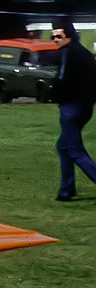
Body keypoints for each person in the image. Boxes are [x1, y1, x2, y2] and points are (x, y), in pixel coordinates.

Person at [50, 18, 96, 201]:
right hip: (85, 107)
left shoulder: (67, 53)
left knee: (75, 151)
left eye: (58, 36)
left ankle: (67, 189)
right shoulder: (84, 53)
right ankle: (66, 190)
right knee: (63, 146)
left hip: (71, 108)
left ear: (68, 36)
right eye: (53, 36)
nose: (55, 39)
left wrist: (54, 93)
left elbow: (61, 79)